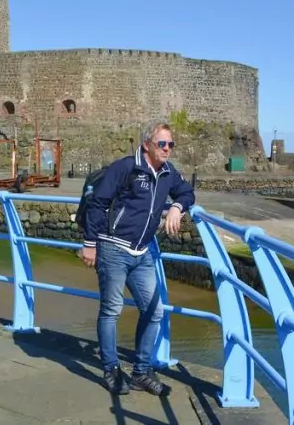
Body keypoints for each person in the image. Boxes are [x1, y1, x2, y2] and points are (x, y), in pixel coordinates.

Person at [81, 121, 195, 396]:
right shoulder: (125, 167)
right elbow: (97, 203)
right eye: (162, 144)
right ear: (146, 144)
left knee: (154, 311)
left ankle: (141, 372)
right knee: (111, 310)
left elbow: (187, 191)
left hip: (142, 252)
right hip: (113, 249)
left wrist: (177, 207)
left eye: (171, 144)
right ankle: (111, 369)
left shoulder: (168, 172)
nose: (167, 149)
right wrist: (90, 244)